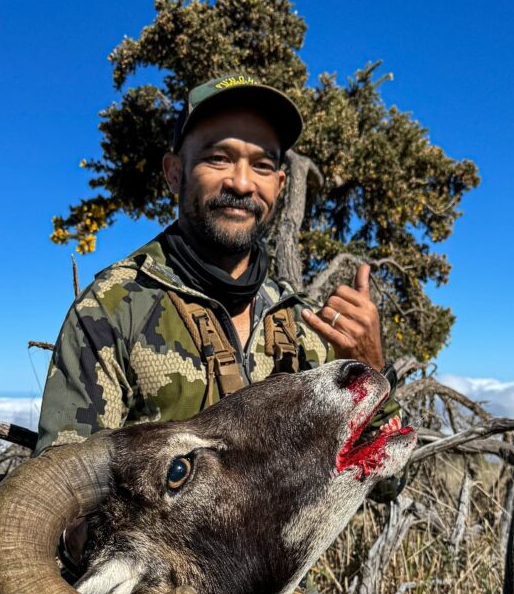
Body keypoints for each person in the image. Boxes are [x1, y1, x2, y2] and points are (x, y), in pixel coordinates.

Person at [35, 73, 400, 563]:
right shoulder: (114, 307)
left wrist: (371, 373)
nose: (242, 182)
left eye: (262, 165)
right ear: (173, 172)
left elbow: (386, 484)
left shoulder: (305, 326)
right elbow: (59, 504)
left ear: (280, 184)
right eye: (218, 158)